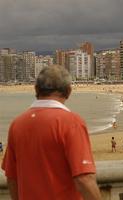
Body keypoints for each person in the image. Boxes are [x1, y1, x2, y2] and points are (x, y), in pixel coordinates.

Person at [1, 65, 102, 200]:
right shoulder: (71, 122)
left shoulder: (17, 124)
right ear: (69, 91)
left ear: (36, 89)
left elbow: (12, 177)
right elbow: (84, 178)